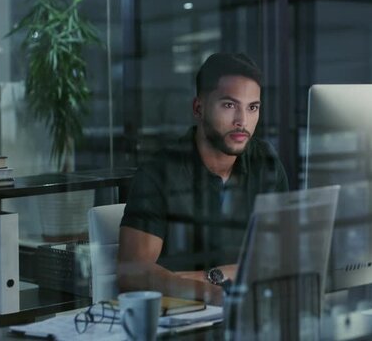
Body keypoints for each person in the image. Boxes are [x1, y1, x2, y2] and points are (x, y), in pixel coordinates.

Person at [117, 53, 289, 305]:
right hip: (180, 319)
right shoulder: (160, 171)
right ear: (199, 108)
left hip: (249, 311)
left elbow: (284, 258)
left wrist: (208, 277)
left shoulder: (265, 161)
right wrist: (211, 293)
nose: (243, 121)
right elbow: (132, 273)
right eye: (229, 105)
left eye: (253, 107)